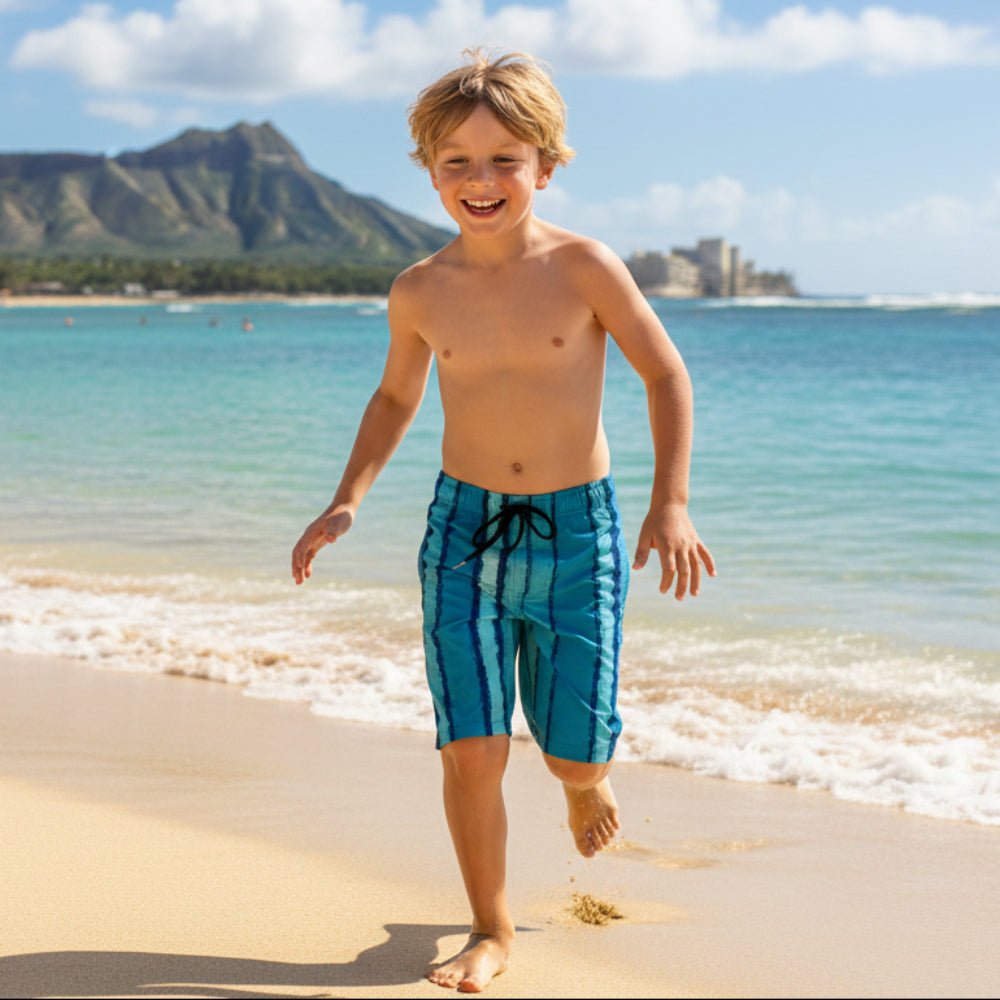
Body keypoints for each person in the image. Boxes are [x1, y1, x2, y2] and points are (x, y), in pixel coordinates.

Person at [291, 49, 716, 994]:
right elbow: (397, 398)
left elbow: (665, 373)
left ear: (546, 166)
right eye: (457, 162)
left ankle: (585, 781)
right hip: (463, 533)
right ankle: (493, 928)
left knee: (570, 755)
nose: (480, 182)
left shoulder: (584, 266)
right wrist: (347, 496)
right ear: (429, 170)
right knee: (472, 747)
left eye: (504, 160)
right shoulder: (420, 289)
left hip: (579, 533)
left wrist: (670, 501)